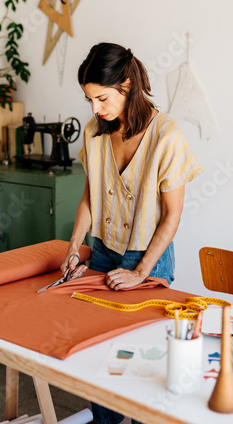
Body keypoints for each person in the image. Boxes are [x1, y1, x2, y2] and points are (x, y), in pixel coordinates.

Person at [61, 42, 203, 424]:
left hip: (149, 260)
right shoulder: (94, 132)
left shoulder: (168, 137)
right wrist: (75, 248)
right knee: (99, 353)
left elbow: (172, 216)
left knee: (144, 358)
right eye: (89, 100)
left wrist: (141, 272)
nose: (95, 109)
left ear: (127, 85)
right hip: (103, 252)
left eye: (102, 98)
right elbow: (89, 201)